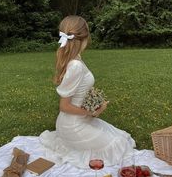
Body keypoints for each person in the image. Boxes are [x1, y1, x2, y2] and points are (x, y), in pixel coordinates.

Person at [39, 15, 135, 168]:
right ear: (85, 36)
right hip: (72, 125)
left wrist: (94, 103)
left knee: (119, 136)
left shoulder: (76, 58)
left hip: (78, 119)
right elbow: (64, 106)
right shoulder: (75, 66)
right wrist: (92, 112)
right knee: (117, 145)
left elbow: (78, 92)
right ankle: (72, 138)